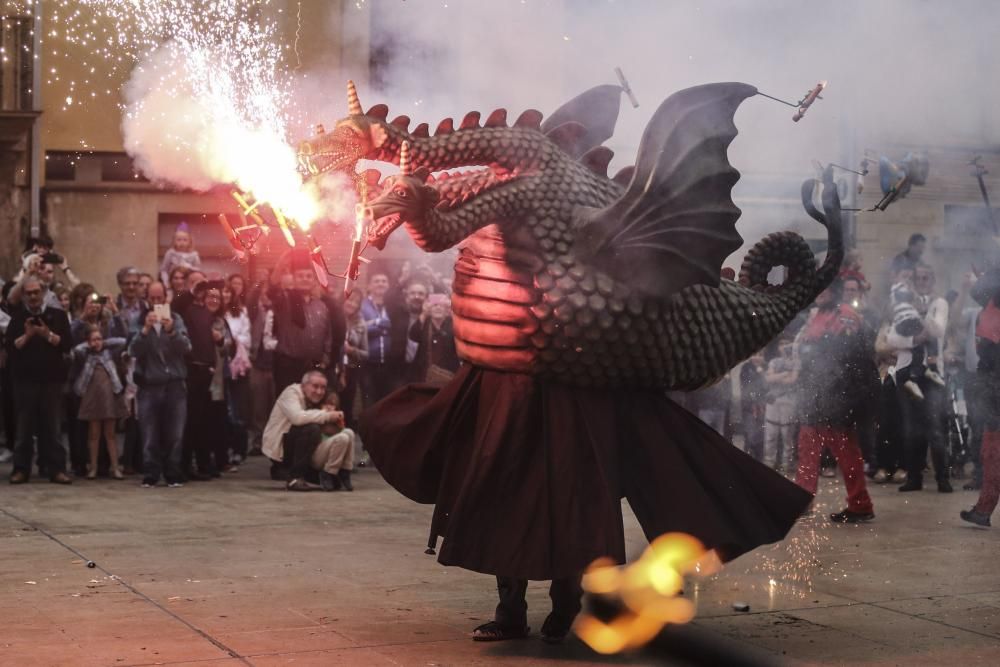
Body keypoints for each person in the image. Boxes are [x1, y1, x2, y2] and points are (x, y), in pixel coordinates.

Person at [794, 281, 876, 523]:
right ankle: (802, 499)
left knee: (846, 452)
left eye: (824, 289)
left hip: (836, 396)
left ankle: (860, 505)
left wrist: (842, 399)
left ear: (834, 292)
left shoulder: (846, 316)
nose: (818, 294)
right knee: (807, 446)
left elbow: (849, 359)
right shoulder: (817, 314)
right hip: (817, 394)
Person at [888, 264, 952, 493]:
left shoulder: (939, 303)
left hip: (932, 375)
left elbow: (938, 330)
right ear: (913, 281)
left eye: (926, 278)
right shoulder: (902, 305)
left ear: (932, 281)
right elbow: (892, 339)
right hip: (906, 373)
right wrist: (915, 340)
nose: (922, 282)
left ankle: (942, 478)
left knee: (934, 427)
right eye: (918, 278)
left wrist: (920, 315)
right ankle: (914, 478)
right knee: (910, 428)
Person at [6, 277, 73, 484]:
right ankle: (21, 469)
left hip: (51, 381)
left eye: (36, 292)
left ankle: (56, 469)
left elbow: (67, 344)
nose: (33, 296)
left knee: (52, 428)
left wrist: (47, 334)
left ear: (43, 293)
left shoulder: (58, 316)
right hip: (25, 382)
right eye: (29, 293)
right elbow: (11, 347)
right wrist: (27, 336)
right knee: (24, 429)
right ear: (24, 296)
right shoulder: (17, 318)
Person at [131, 282, 191, 488]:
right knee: (149, 433)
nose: (156, 302)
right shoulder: (139, 320)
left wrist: (172, 331)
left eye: (160, 298)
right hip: (150, 385)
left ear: (167, 298)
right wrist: (146, 330)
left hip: (175, 384)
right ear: (147, 299)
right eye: (152, 298)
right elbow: (132, 350)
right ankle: (150, 473)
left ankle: (173, 473)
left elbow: (186, 347)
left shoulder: (177, 319)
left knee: (175, 432)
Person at [262, 370, 349, 491]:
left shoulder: (321, 400)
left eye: (323, 387)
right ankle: (294, 478)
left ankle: (288, 471)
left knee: (335, 483)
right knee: (311, 429)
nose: (319, 391)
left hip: (305, 451)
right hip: (281, 447)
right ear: (303, 386)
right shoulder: (291, 393)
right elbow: (297, 418)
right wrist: (327, 415)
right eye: (315, 386)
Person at [181, 281, 234, 479]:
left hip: (217, 379)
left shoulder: (220, 321)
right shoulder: (191, 313)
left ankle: (207, 462)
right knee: (194, 421)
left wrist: (220, 341)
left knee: (211, 424)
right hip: (195, 375)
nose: (212, 300)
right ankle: (191, 464)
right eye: (209, 296)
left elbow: (231, 348)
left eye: (216, 298)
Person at [961, 266, 1000, 526]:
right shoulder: (990, 303)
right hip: (991, 383)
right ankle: (984, 509)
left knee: (992, 450)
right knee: (989, 449)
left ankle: (984, 509)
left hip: (996, 384)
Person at [268, 250, 333, 393]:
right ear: (294, 280)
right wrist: (279, 267)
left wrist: (326, 358)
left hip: (313, 367)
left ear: (314, 281)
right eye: (301, 276)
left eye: (309, 276)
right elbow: (272, 290)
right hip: (288, 368)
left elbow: (328, 335)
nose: (305, 279)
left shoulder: (321, 306)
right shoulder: (285, 300)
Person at [71, 328, 129, 479]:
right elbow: (77, 349)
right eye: (93, 339)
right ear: (88, 342)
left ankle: (116, 467)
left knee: (110, 434)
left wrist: (104, 342)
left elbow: (122, 341)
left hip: (109, 396)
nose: (97, 342)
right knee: (94, 435)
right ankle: (93, 468)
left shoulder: (109, 354)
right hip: (91, 396)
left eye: (99, 339)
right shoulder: (85, 355)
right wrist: (89, 344)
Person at [222, 283, 252, 465]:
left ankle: (238, 449)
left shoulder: (240, 313)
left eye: (227, 291)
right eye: (221, 291)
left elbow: (247, 338)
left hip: (237, 366)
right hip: (218, 366)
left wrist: (230, 339)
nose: (224, 294)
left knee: (237, 411)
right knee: (222, 411)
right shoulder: (213, 313)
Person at [764, 336, 798, 473]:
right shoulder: (773, 361)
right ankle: (769, 462)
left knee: (787, 436)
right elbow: (768, 378)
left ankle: (787, 464)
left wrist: (776, 377)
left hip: (788, 402)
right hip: (773, 401)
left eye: (787, 343)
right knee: (771, 434)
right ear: (778, 347)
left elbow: (792, 380)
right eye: (781, 344)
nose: (784, 346)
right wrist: (784, 374)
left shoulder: (796, 362)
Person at [408, 292, 460, 383]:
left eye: (442, 306)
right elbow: (413, 335)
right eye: (434, 305)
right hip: (425, 372)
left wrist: (453, 312)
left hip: (449, 373)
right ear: (429, 309)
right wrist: (424, 313)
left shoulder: (452, 324)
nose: (438, 308)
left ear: (447, 309)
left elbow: (462, 335)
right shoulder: (424, 323)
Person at [359, 271, 394, 404]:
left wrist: (374, 324)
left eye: (384, 281)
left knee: (387, 402)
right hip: (368, 364)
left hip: (389, 365)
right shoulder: (362, 305)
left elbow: (396, 327)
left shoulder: (393, 305)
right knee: (369, 400)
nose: (381, 284)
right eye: (377, 281)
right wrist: (381, 324)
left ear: (389, 285)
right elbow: (360, 329)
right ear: (369, 286)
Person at [340, 289, 369, 431]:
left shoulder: (361, 323)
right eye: (349, 299)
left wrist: (351, 350)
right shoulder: (334, 316)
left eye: (356, 302)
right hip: (336, 367)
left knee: (348, 403)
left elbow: (366, 353)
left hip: (352, 368)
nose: (351, 304)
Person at [159, 221, 202, 286]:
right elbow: (164, 270)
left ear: (190, 241)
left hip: (187, 283)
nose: (182, 242)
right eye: (179, 240)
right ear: (174, 241)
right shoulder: (170, 253)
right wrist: (166, 282)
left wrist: (189, 267)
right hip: (173, 283)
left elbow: (198, 270)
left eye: (185, 240)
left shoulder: (194, 254)